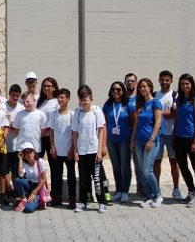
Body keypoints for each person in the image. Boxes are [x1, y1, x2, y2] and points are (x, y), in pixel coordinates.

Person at [71, 85, 109, 214]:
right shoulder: (77, 113)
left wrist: (100, 150)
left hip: (94, 151)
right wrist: (76, 150)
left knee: (97, 178)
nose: (83, 102)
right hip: (82, 151)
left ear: (91, 99)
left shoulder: (96, 111)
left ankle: (102, 202)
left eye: (85, 99)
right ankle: (83, 201)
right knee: (83, 179)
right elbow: (75, 133)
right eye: (81, 99)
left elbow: (101, 131)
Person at [173, 73, 195, 208]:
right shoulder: (179, 99)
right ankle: (191, 192)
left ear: (191, 84)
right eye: (182, 84)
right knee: (183, 166)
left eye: (187, 83)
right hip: (179, 138)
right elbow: (177, 119)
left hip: (192, 138)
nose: (185, 86)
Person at [131, 78, 164, 208]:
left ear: (150, 87)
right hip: (139, 141)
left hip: (151, 141)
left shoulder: (156, 103)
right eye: (141, 87)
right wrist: (133, 140)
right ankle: (149, 196)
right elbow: (136, 124)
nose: (142, 89)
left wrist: (151, 139)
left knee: (147, 170)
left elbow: (157, 123)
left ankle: (158, 195)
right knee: (142, 170)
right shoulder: (140, 104)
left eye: (145, 86)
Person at [103, 80, 134, 203]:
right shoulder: (108, 105)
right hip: (111, 140)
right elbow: (104, 121)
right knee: (116, 166)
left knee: (125, 166)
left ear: (123, 91)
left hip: (125, 140)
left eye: (119, 89)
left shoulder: (128, 105)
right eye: (113, 89)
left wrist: (132, 140)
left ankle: (125, 191)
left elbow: (134, 122)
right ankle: (119, 190)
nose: (116, 92)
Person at [154, 70, 181, 200]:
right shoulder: (155, 95)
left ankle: (176, 189)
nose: (164, 82)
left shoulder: (175, 95)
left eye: (167, 80)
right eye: (162, 80)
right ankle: (156, 189)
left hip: (172, 134)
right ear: (159, 80)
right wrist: (166, 113)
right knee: (156, 162)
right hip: (158, 134)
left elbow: (175, 114)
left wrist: (159, 113)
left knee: (173, 162)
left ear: (171, 81)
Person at [48, 87, 76, 208]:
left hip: (68, 151)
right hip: (57, 151)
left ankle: (72, 198)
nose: (60, 99)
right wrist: (52, 146)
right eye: (58, 97)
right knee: (56, 175)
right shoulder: (54, 114)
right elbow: (52, 131)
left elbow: (75, 133)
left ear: (68, 99)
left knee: (71, 175)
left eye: (62, 97)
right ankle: (56, 197)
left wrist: (72, 149)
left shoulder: (72, 115)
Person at [14, 143, 49, 213]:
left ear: (34, 152)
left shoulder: (40, 161)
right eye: (26, 153)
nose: (29, 154)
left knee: (28, 209)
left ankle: (37, 201)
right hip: (30, 186)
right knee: (18, 180)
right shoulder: (24, 163)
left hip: (38, 189)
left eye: (30, 151)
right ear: (24, 155)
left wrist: (34, 193)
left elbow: (44, 179)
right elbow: (20, 175)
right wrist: (20, 160)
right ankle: (23, 200)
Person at [124, 72, 144, 196]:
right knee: (125, 164)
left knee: (139, 163)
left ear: (136, 83)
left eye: (132, 81)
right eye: (128, 81)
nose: (130, 83)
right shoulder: (122, 97)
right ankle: (124, 188)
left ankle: (141, 188)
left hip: (137, 134)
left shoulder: (141, 98)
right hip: (124, 135)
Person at [4, 84, 23, 195]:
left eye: (17, 96)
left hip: (16, 145)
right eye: (13, 95)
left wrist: (12, 125)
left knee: (15, 170)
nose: (15, 97)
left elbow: (21, 127)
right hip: (4, 144)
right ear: (9, 94)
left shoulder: (21, 108)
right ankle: (8, 189)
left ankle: (16, 190)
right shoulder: (2, 106)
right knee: (6, 170)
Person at [36, 77, 60, 159]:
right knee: (37, 163)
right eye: (44, 86)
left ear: (54, 88)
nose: (46, 88)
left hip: (51, 138)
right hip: (39, 137)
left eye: (49, 86)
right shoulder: (40, 102)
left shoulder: (57, 102)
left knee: (53, 164)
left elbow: (58, 120)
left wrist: (46, 129)